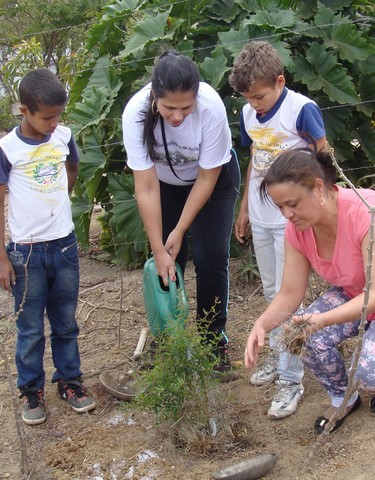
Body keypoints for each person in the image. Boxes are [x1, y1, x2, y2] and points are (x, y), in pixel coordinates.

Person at [122, 51, 240, 375]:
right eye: (169, 108)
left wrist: (179, 229)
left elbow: (206, 178)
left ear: (197, 96)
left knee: (210, 255)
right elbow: (145, 187)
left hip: (212, 182)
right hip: (164, 185)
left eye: (186, 108)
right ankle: (168, 344)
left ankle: (213, 342)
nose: (177, 116)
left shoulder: (212, 108)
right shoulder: (135, 113)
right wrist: (160, 248)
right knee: (166, 263)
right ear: (154, 96)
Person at [245, 148, 375, 433]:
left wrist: (324, 319)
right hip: (355, 294)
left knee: (368, 371)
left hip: (372, 294)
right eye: (280, 207)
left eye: (292, 204)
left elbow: (374, 293)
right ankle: (344, 398)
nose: (287, 215)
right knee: (303, 336)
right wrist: (262, 325)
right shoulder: (299, 229)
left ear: (318, 187)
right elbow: (290, 294)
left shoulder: (366, 212)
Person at [229, 40, 327, 418]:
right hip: (262, 215)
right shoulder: (247, 113)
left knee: (291, 298)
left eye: (260, 96)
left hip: (293, 221)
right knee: (273, 294)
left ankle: (292, 379)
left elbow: (322, 154)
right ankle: (279, 356)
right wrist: (244, 210)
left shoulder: (302, 109)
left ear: (280, 81)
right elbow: (255, 157)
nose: (255, 104)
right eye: (249, 98)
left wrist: (319, 210)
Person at [0, 68, 95, 425]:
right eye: (47, 117)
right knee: (29, 327)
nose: (55, 123)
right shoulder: (8, 150)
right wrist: (2, 259)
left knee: (66, 320)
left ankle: (70, 381)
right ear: (24, 111)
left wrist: (58, 200)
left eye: (58, 115)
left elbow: (72, 168)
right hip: (25, 252)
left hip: (65, 246)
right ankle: (31, 390)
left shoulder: (63, 136)